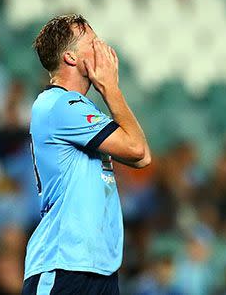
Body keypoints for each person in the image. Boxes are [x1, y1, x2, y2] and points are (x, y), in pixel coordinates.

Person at [22, 15, 151, 294]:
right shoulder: (60, 105)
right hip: (63, 264)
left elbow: (140, 156)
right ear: (70, 57)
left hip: (97, 266)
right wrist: (111, 88)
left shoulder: (78, 108)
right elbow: (138, 150)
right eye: (93, 43)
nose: (102, 49)